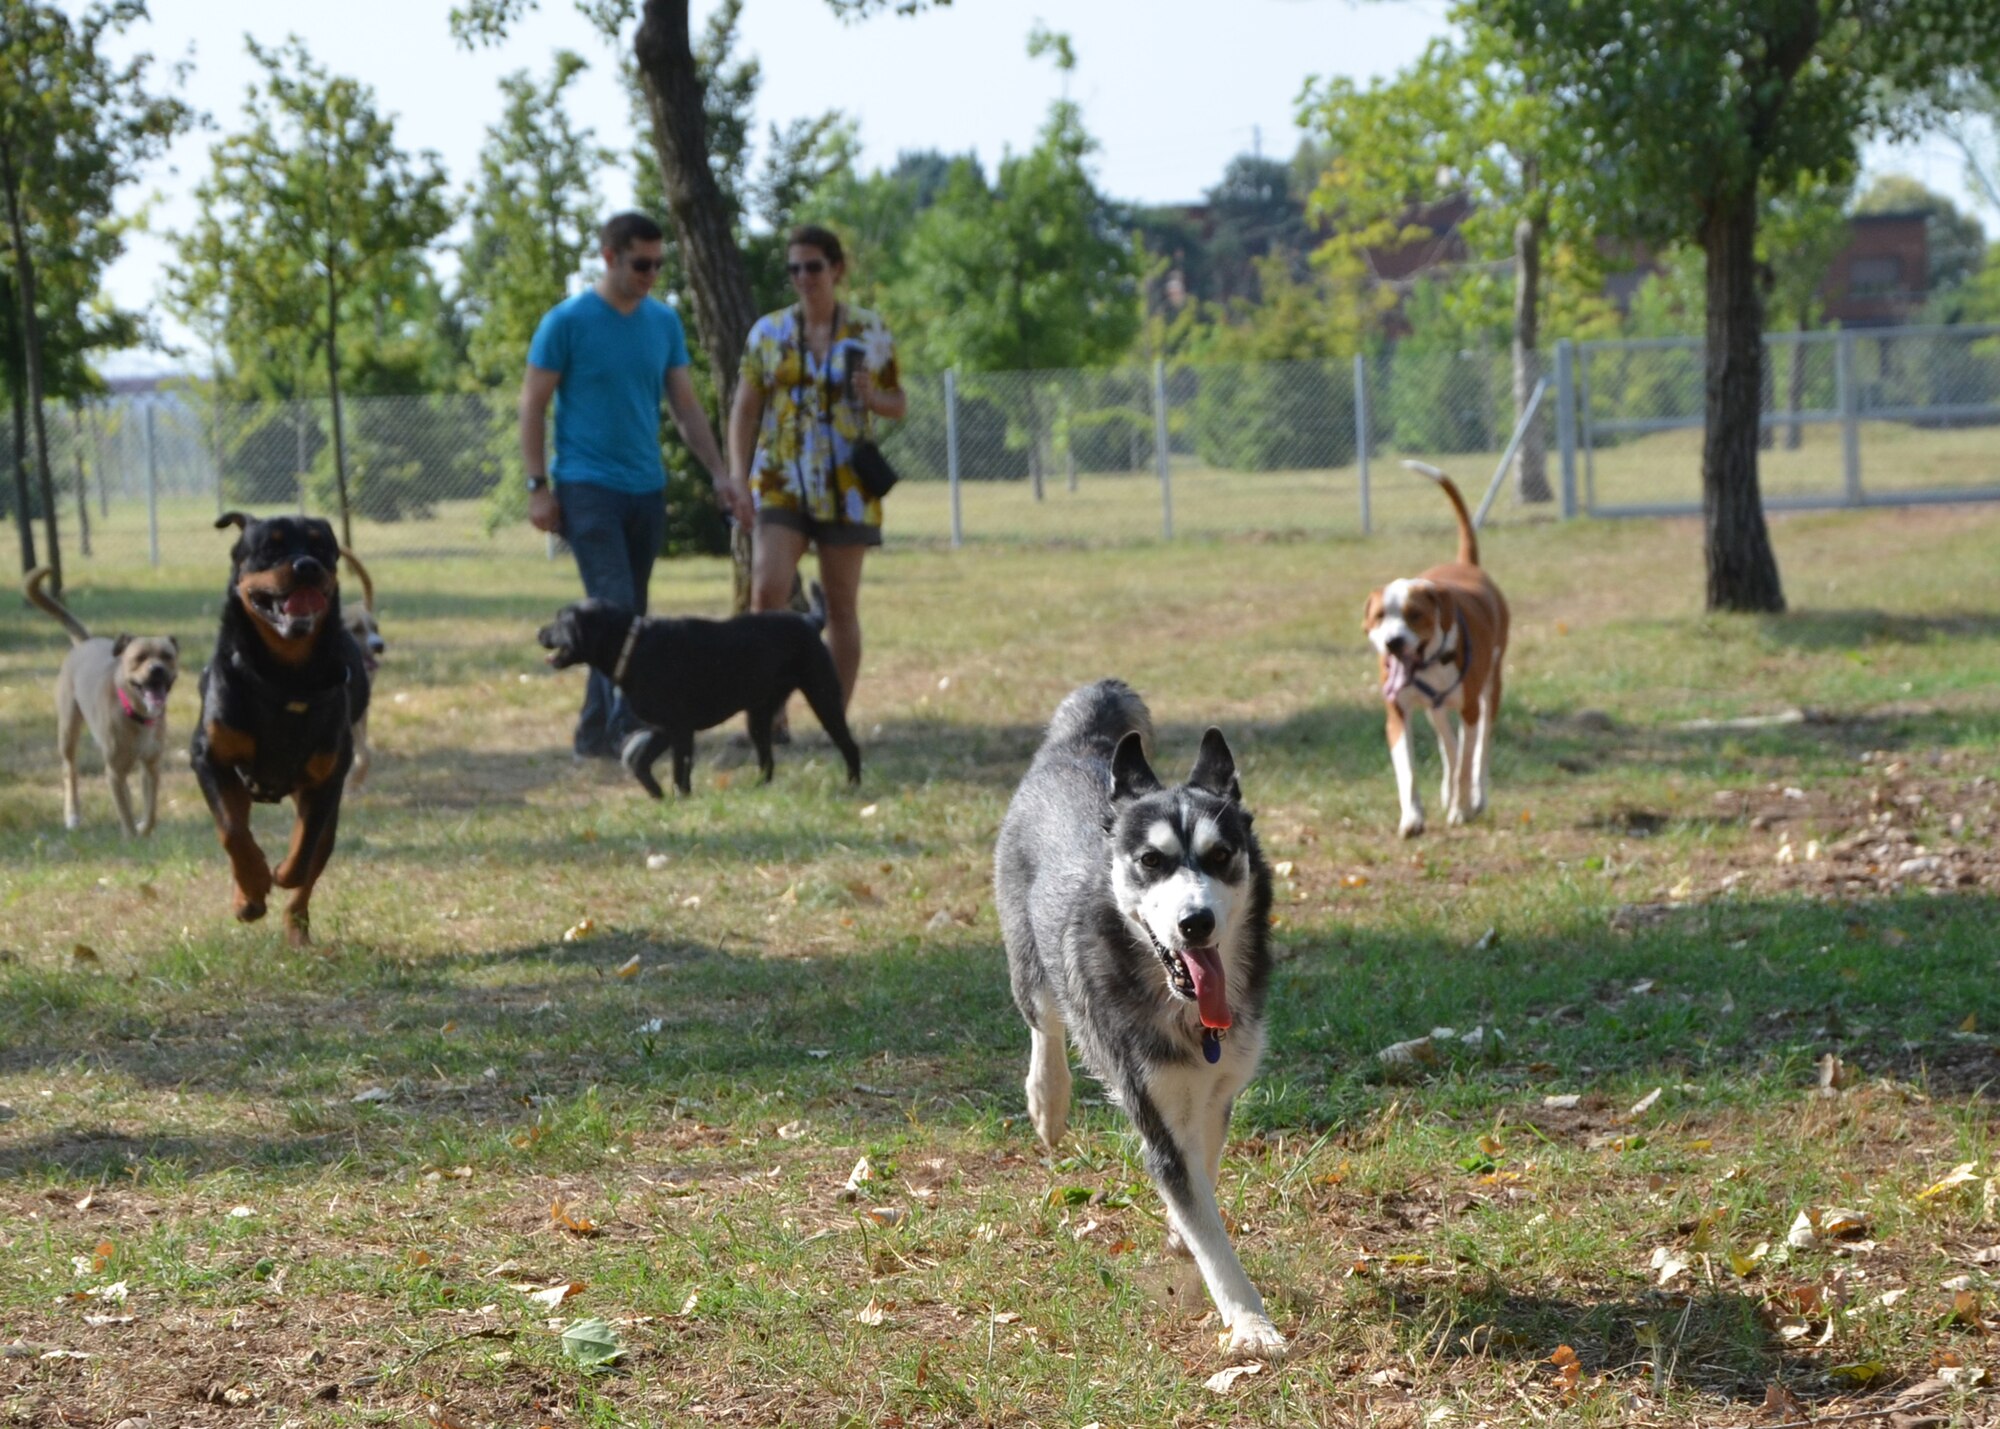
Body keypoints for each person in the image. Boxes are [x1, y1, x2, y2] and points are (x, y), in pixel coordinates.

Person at [520, 212, 755, 759]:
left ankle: (594, 735)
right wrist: (538, 485)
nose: (652, 273)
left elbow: (686, 405)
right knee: (618, 610)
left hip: (646, 489)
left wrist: (720, 473)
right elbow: (533, 404)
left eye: (658, 263)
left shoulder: (663, 323)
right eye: (641, 263)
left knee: (625, 619)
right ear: (609, 256)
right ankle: (633, 732)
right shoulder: (567, 321)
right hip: (585, 486)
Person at [729, 224, 905, 721]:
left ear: (836, 269)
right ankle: (769, 715)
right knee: (767, 592)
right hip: (782, 478)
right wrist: (738, 478)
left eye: (813, 266)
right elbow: (745, 408)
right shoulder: (769, 333)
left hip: (848, 486)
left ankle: (835, 717)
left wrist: (874, 398)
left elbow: (898, 402)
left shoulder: (869, 330)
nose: (803, 277)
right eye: (794, 268)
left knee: (841, 605)